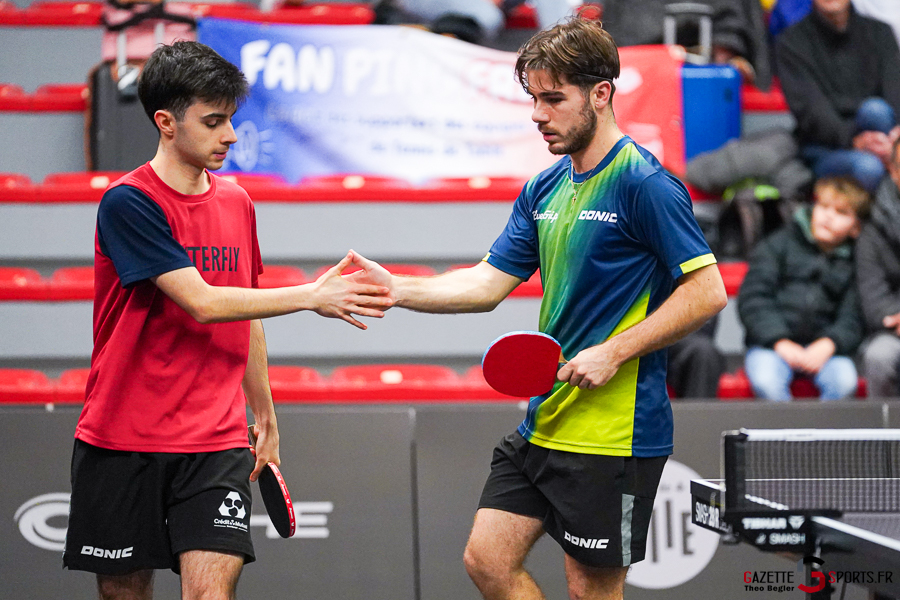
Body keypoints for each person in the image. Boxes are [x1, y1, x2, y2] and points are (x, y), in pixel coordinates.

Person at [349, 17, 727, 599]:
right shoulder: (545, 188)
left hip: (613, 436)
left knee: (590, 590)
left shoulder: (644, 184)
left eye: (554, 99)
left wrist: (613, 351)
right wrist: (397, 289)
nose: (537, 114)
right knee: (487, 560)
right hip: (545, 420)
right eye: (534, 98)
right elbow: (486, 283)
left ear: (601, 93)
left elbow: (707, 291)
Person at [62, 41, 391, 600]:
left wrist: (263, 409)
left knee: (212, 593)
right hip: (122, 438)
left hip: (213, 440)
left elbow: (246, 308)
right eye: (213, 122)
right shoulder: (129, 203)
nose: (231, 136)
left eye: (231, 120)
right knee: (123, 593)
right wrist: (311, 295)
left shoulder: (237, 201)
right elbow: (205, 302)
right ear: (166, 122)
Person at [738, 175, 869, 401]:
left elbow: (854, 314)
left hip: (830, 351)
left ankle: (825, 438)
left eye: (841, 212)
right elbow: (754, 298)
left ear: (856, 227)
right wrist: (780, 341)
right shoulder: (777, 244)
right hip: (772, 346)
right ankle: (783, 437)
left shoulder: (858, 261)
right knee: (767, 382)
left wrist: (829, 344)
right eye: (824, 206)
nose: (828, 216)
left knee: (844, 383)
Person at [775, 0, 900, 194]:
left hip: (884, 134)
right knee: (868, 167)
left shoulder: (880, 32)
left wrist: (894, 139)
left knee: (875, 110)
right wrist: (854, 141)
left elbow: (895, 90)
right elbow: (812, 113)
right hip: (825, 148)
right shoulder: (791, 42)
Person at [857, 137, 900, 398]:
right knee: (878, 357)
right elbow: (873, 302)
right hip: (893, 331)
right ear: (893, 171)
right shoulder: (873, 229)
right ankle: (885, 439)